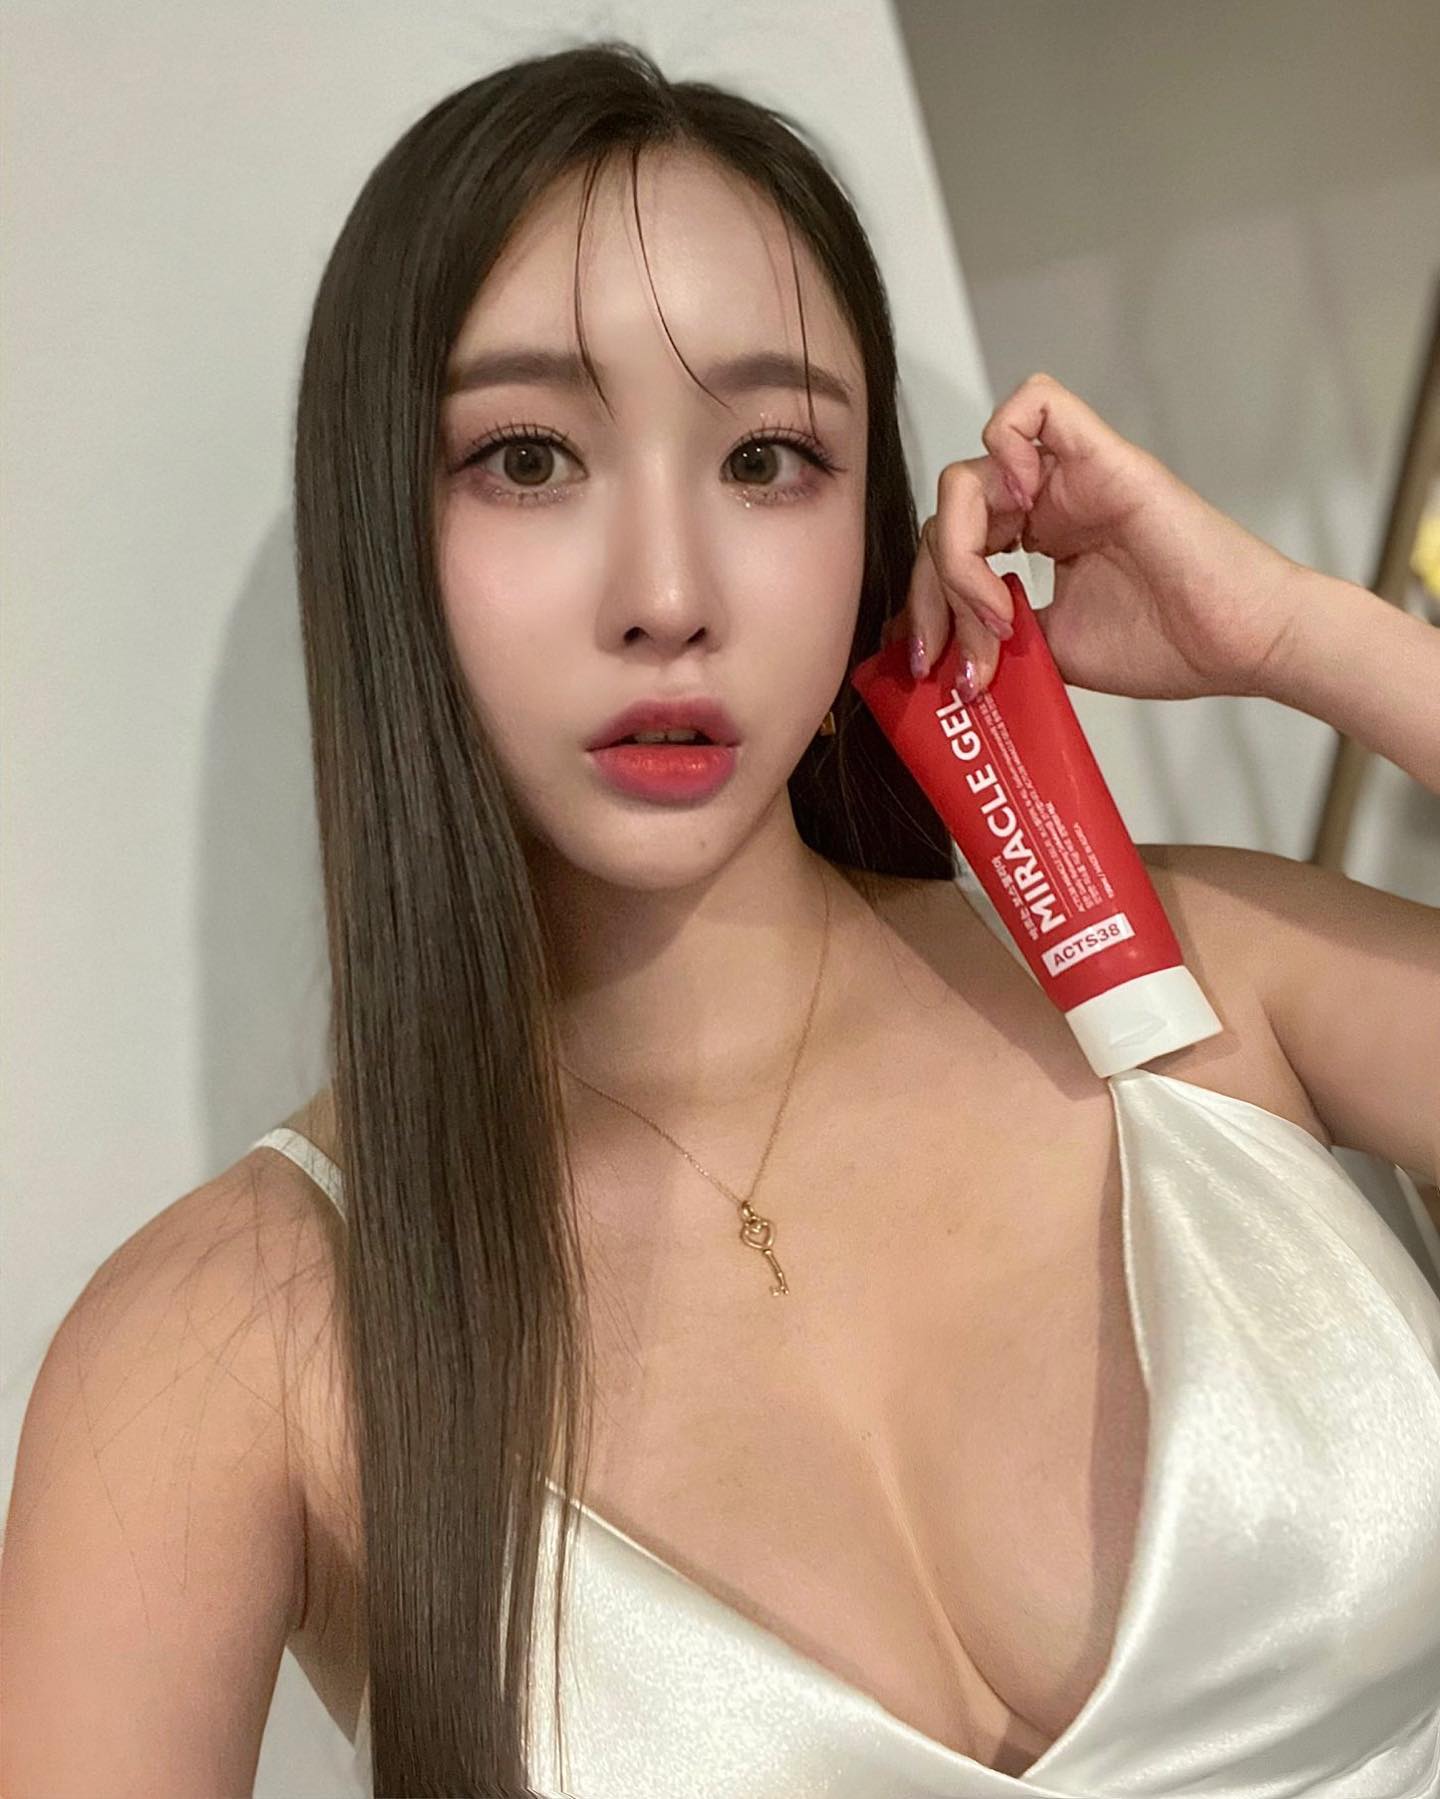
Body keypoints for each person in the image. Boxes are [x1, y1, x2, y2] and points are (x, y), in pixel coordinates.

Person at [4, 38, 1439, 1799]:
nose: (669, 595)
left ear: (870, 523)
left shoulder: (1211, 981)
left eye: (767, 457)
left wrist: (1306, 639)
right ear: (385, 535)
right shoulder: (224, 1353)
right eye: (529, 458)